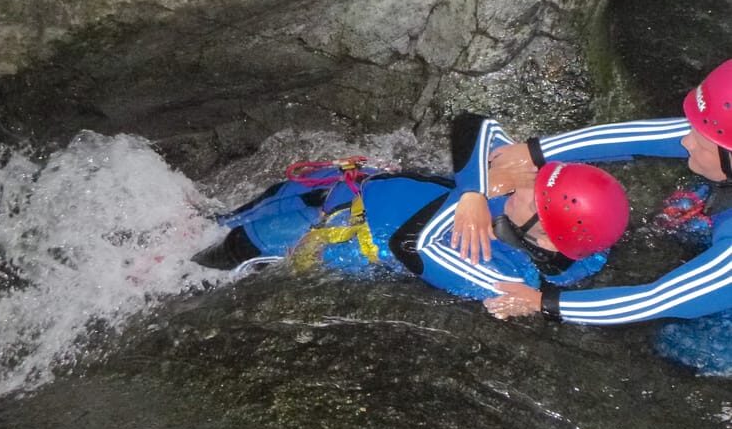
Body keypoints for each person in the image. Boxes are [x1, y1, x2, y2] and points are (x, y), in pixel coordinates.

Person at [193, 114, 630, 302]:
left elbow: (409, 244)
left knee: (227, 250)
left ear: (548, 234)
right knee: (223, 217)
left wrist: (471, 195)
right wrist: (474, 192)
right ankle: (201, 225)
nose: (526, 184)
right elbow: (473, 124)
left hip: (339, 232)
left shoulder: (506, 280)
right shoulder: (578, 221)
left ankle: (181, 271)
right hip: (355, 185)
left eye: (533, 195)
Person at [474, 59, 732, 325]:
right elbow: (643, 137)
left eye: (700, 143)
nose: (685, 141)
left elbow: (656, 300)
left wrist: (543, 303)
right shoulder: (721, 140)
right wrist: (535, 152)